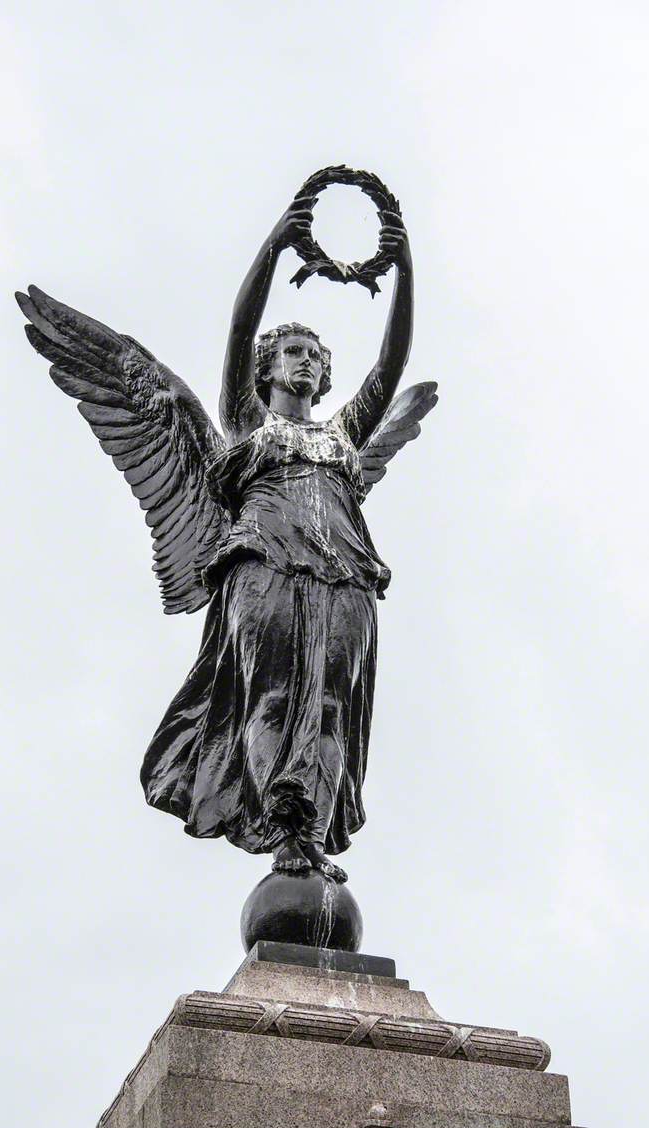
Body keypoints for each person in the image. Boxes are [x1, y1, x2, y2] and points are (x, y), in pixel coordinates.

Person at [140, 194, 414, 880]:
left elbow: (393, 362)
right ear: (269, 369)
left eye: (315, 356)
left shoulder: (342, 435)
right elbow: (239, 329)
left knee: (328, 702)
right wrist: (276, 244)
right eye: (292, 352)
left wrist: (404, 264)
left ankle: (309, 826)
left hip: (345, 572)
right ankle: (281, 825)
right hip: (262, 562)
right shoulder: (248, 423)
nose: (305, 362)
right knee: (270, 695)